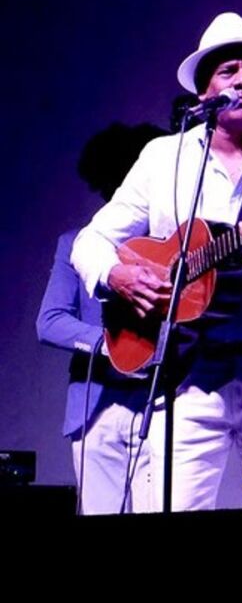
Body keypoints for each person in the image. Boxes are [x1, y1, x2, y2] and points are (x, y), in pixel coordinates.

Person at [72, 12, 242, 519]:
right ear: (204, 92)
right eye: (229, 71)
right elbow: (91, 241)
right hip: (185, 378)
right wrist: (119, 276)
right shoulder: (164, 157)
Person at [36, 121, 166, 513]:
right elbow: (50, 321)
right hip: (96, 408)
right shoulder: (75, 244)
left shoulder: (173, 248)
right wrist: (115, 349)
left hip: (162, 404)